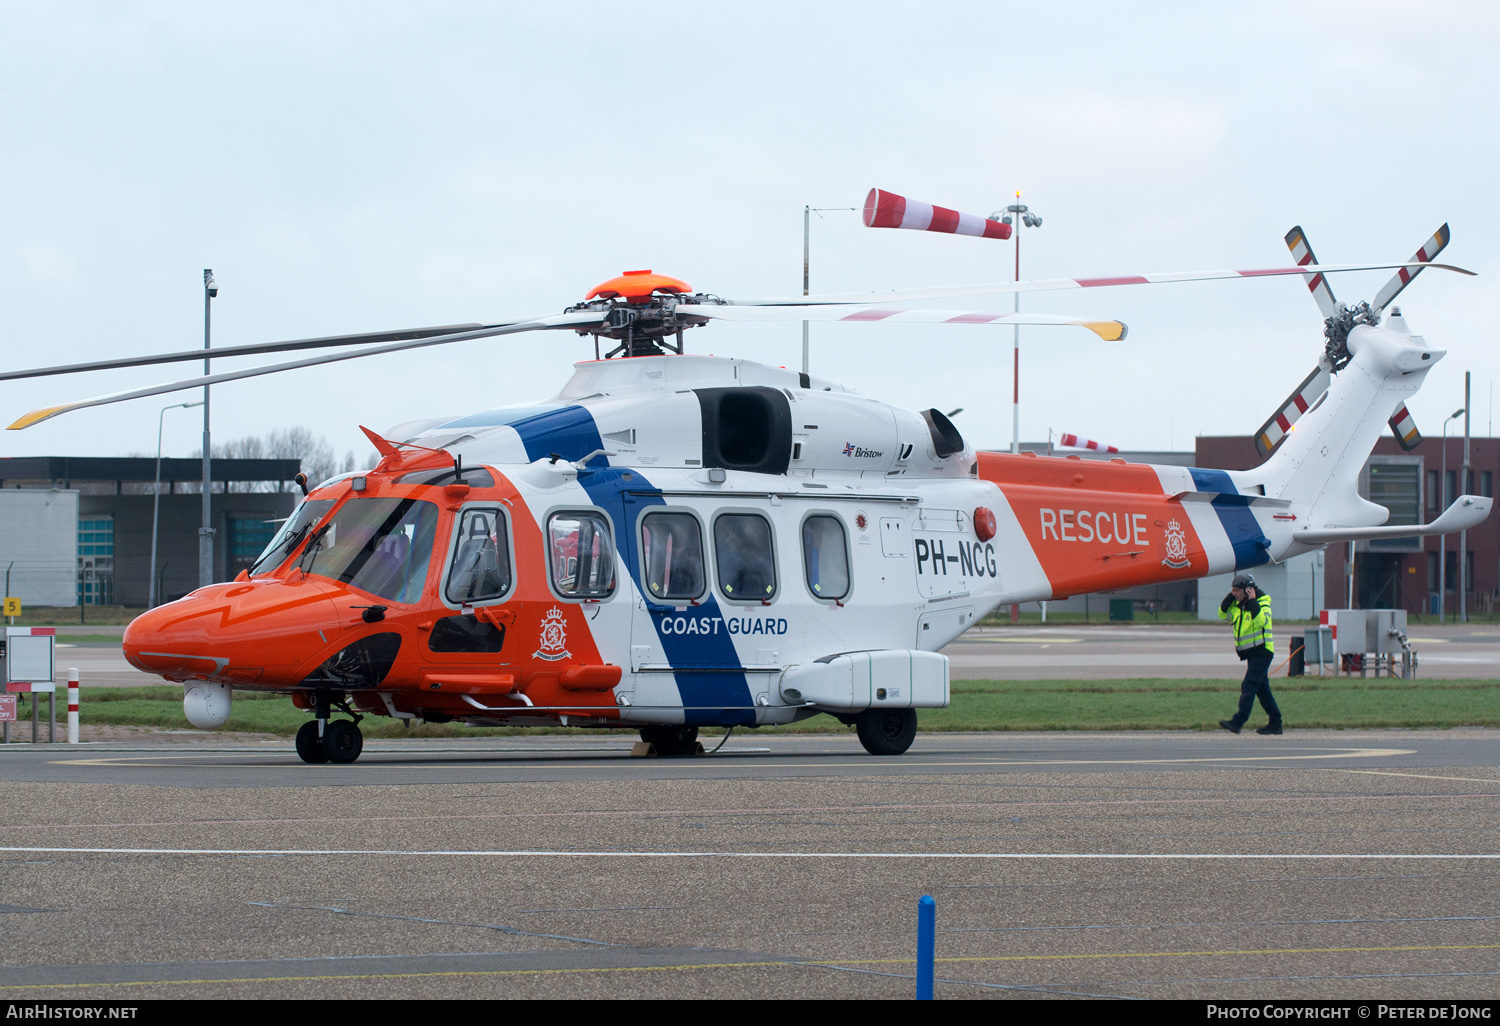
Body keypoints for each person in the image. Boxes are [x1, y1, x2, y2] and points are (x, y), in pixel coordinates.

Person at [1217, 573, 1283, 735]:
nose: (1234, 594)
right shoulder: (1239, 605)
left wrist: (1253, 602)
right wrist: (1229, 599)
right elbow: (1223, 615)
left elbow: (1261, 621)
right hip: (1252, 653)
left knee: (1248, 685)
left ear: (1248, 591)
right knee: (1262, 689)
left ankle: (1238, 721)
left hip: (1263, 651)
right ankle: (1276, 723)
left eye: (1236, 591)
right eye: (1232, 590)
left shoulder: (1262, 603)